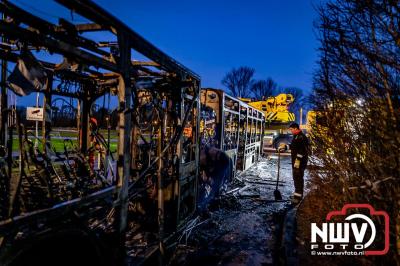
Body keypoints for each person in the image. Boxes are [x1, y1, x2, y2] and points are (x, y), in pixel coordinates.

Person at [198, 145, 231, 212]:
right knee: (212, 183)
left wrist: (209, 178)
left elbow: (209, 170)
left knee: (216, 185)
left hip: (223, 162)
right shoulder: (204, 154)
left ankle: (211, 204)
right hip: (217, 162)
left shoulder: (205, 155)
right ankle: (207, 201)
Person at [288, 122, 309, 204]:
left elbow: (303, 150)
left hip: (300, 163)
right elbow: (294, 146)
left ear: (296, 128)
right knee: (296, 179)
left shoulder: (301, 137)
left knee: (298, 179)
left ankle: (298, 198)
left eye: (291, 129)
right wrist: (285, 147)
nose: (291, 131)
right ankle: (296, 195)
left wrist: (298, 161)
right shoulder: (296, 136)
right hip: (296, 162)